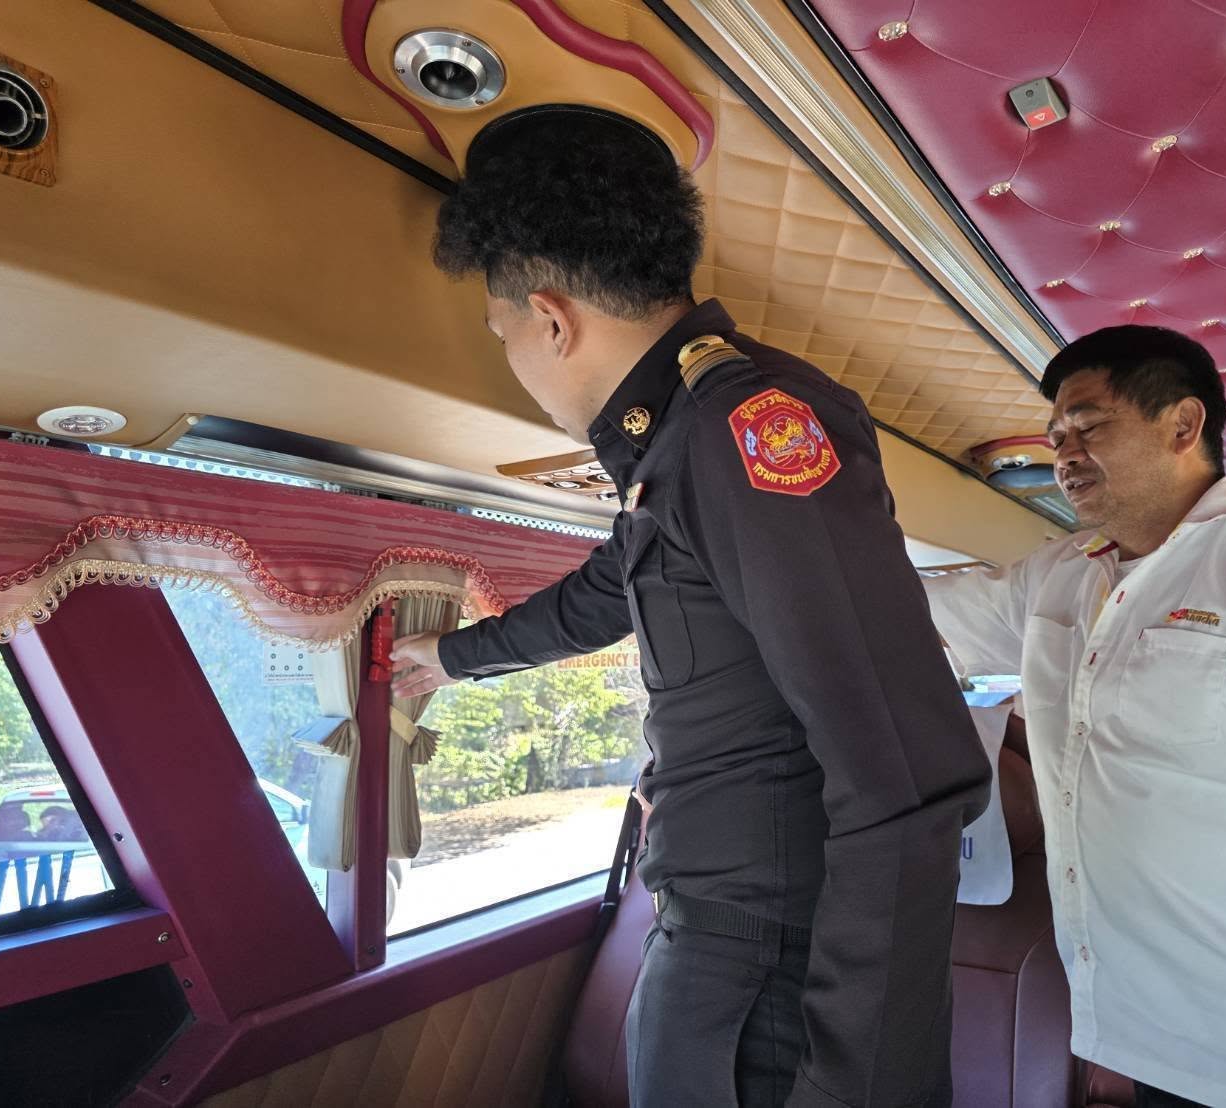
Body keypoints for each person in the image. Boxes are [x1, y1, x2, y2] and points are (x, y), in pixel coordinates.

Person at [390, 107, 991, 1107]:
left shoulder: (745, 427)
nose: (514, 359)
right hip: (717, 935)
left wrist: (858, 1084)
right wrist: (452, 658)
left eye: (503, 334)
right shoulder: (670, 439)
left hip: (768, 969)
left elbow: (904, 772)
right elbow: (609, 591)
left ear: (550, 319)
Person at [924, 324, 1226, 1108]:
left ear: (1182, 424)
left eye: (1088, 426)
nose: (1064, 453)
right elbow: (908, 617)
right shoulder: (1058, 578)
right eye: (1055, 436)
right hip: (1143, 1040)